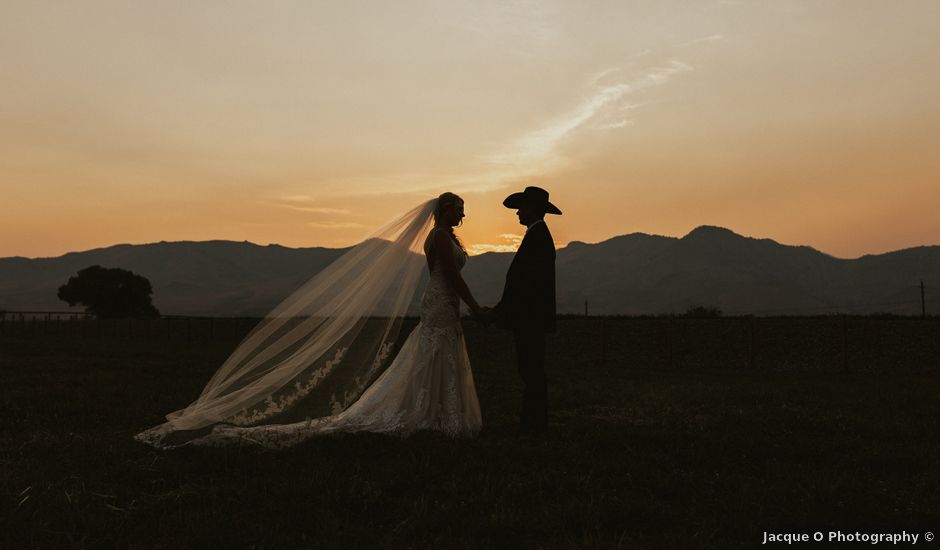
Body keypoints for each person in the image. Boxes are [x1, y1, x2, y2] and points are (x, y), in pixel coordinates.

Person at [136, 192, 483, 448]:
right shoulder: (438, 237)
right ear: (445, 210)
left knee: (439, 353)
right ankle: (433, 415)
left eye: (463, 212)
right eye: (459, 210)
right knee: (432, 352)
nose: (462, 216)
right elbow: (449, 276)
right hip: (441, 300)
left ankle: (439, 414)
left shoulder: (448, 237)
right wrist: (475, 307)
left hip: (444, 302)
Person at [480, 186, 560, 433]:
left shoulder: (538, 238)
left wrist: (499, 311)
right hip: (529, 316)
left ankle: (534, 424)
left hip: (530, 318)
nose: (517, 213)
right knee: (530, 369)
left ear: (532, 209)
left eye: (521, 208)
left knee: (531, 369)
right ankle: (532, 421)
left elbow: (524, 285)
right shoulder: (538, 236)